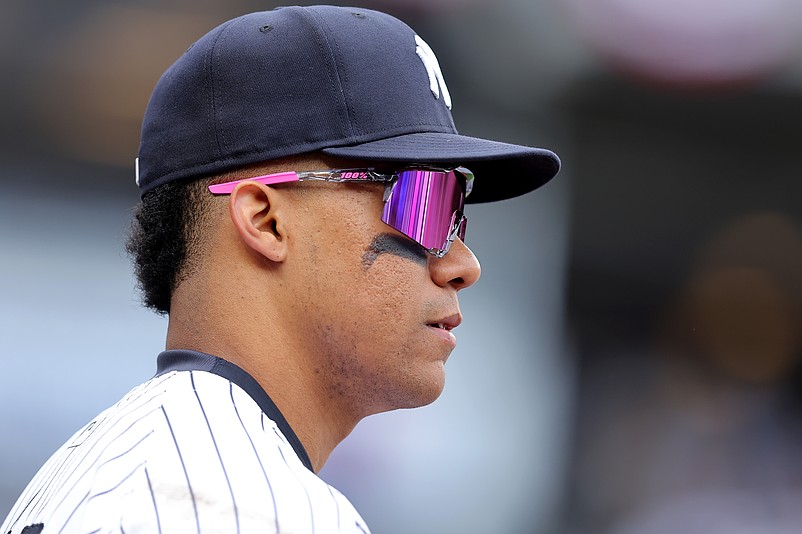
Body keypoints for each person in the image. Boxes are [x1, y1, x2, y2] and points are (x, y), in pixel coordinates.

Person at [1, 5, 559, 533]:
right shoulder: (231, 502)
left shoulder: (128, 464)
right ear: (266, 221)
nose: (463, 264)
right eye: (424, 200)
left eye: (457, 214)